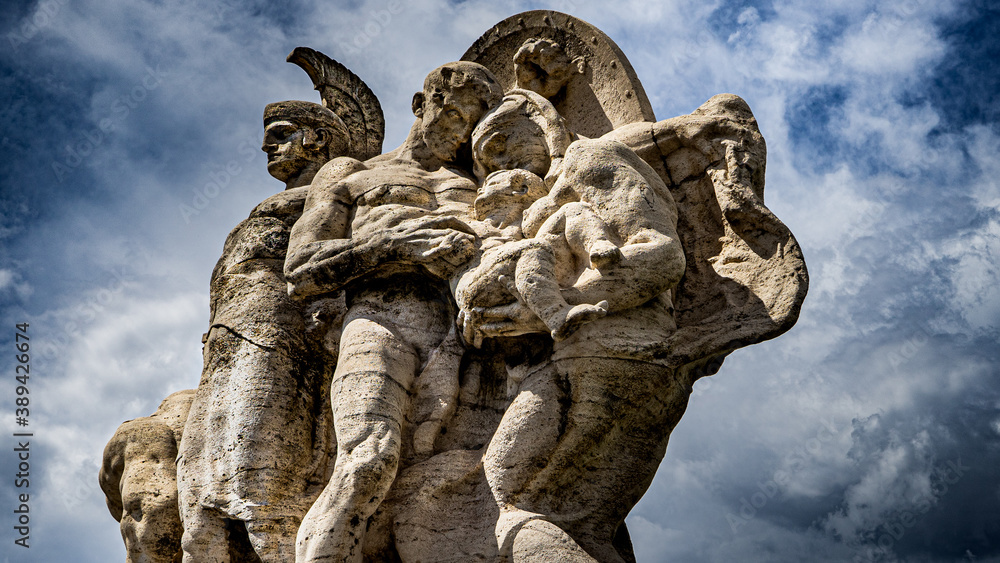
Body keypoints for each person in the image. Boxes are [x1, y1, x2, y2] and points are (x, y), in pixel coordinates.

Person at [283, 61, 503, 563]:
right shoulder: (352, 174)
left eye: (474, 117)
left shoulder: (482, 178)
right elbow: (300, 269)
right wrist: (394, 247)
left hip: (466, 340)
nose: (461, 128)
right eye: (452, 111)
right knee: (368, 461)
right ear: (420, 105)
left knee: (460, 480)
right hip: (380, 320)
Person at [456, 94, 688, 563]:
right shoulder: (523, 221)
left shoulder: (589, 159)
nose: (495, 163)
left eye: (500, 142)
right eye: (484, 159)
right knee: (581, 527)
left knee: (519, 506)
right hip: (581, 360)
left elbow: (662, 254)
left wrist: (553, 307)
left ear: (545, 126)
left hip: (614, 351)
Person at [176, 100, 352, 563]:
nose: (265, 145)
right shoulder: (272, 204)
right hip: (224, 345)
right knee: (198, 516)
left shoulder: (340, 182)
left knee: (262, 500)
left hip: (279, 335)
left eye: (281, 132)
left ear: (318, 138)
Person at [454, 89, 622, 347]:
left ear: (520, 188)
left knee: (571, 212)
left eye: (500, 145)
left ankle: (597, 245)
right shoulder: (478, 225)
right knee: (534, 247)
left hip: (527, 268)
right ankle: (557, 315)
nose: (499, 165)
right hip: (483, 280)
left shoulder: (541, 207)